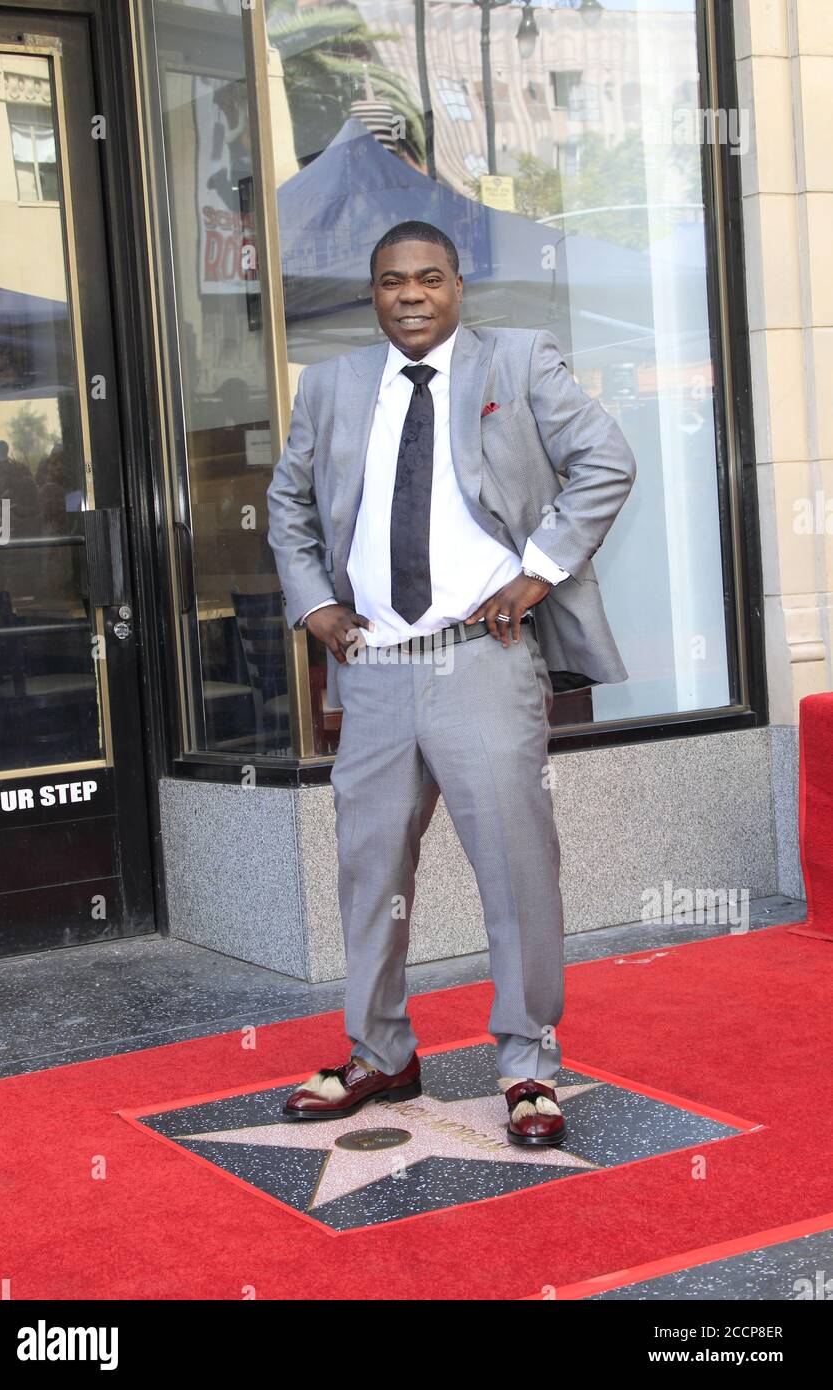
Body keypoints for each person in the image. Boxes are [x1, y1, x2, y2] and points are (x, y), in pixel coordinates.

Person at [267, 220, 636, 1147]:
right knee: (370, 869)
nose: (411, 295)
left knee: (514, 867)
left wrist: (539, 570)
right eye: (392, 281)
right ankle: (381, 1051)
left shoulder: (518, 364)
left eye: (429, 278)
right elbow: (288, 504)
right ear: (374, 293)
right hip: (377, 671)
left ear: (459, 286)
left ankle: (528, 1066)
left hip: (481, 658)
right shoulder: (330, 385)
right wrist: (313, 605)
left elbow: (608, 461)